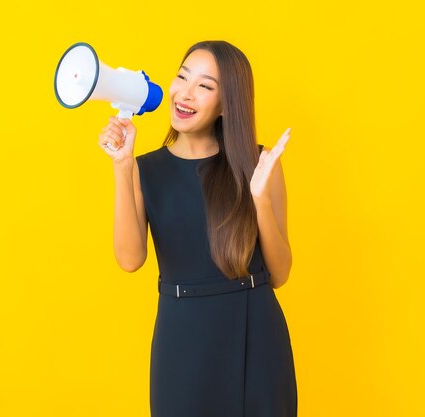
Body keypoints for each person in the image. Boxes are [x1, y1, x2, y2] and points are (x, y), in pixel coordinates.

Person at [98, 40, 297, 417]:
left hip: (256, 334)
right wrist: (122, 168)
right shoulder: (144, 169)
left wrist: (260, 198)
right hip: (182, 338)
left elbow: (281, 272)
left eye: (205, 86)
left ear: (227, 104)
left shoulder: (258, 162)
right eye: (182, 77)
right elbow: (129, 259)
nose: (185, 93)